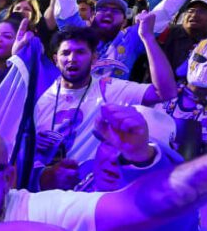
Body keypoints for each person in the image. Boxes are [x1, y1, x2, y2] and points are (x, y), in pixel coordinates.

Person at [34, 25, 175, 177]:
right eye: (65, 53)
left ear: (94, 58)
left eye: (80, 52)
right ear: (56, 59)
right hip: (48, 187)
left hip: (92, 190)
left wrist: (148, 38)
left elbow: (165, 92)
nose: (72, 58)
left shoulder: (108, 88)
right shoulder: (42, 99)